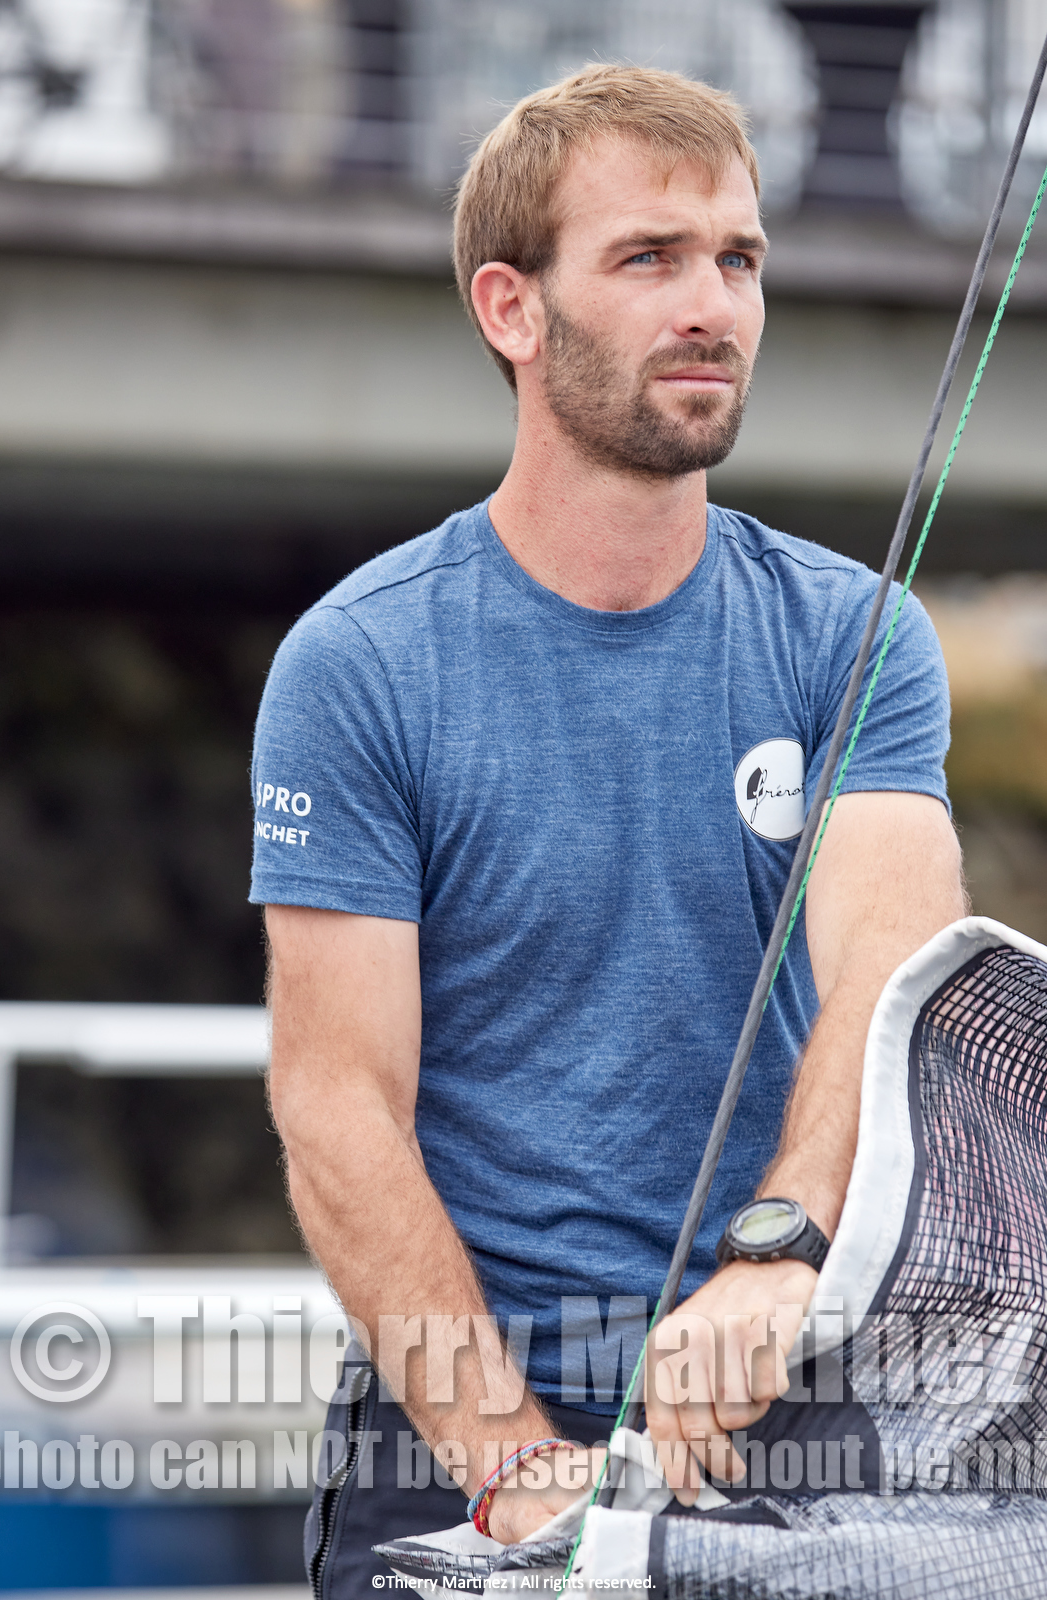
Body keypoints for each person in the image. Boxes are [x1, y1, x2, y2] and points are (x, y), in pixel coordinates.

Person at [252, 63, 965, 1592]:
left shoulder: (855, 633)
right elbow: (336, 1103)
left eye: (737, 259)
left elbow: (893, 977)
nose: (711, 305)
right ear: (511, 309)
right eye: (648, 257)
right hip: (459, 1413)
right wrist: (510, 1464)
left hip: (778, 1397)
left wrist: (776, 1250)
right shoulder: (359, 663)